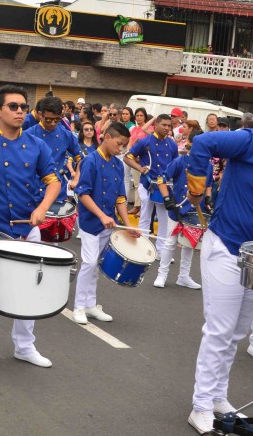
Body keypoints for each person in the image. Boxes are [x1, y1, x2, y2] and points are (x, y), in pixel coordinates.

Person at [0, 84, 61, 369]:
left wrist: (42, 208)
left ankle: (25, 345)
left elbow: (53, 181)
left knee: (30, 288)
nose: (20, 112)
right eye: (13, 107)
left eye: (23, 107)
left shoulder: (36, 144)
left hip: (27, 227)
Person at [185, 119, 253, 433]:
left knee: (238, 332)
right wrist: (197, 186)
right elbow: (202, 144)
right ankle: (201, 405)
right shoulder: (247, 140)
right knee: (220, 330)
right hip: (226, 248)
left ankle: (218, 397)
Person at [72, 123, 139, 325]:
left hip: (108, 223)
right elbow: (82, 193)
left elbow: (120, 198)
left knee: (97, 264)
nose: (121, 149)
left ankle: (91, 304)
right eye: (119, 144)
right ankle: (79, 306)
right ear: (107, 137)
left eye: (124, 146)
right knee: (89, 262)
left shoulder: (118, 164)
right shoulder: (90, 161)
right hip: (90, 222)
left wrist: (127, 225)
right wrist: (102, 216)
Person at [153, 129, 208, 290]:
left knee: (189, 244)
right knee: (170, 242)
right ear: (190, 144)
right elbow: (161, 179)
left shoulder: (207, 164)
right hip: (177, 207)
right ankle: (161, 274)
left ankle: (183, 276)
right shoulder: (180, 161)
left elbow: (209, 184)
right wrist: (167, 199)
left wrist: (209, 198)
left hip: (195, 209)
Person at [124, 114, 177, 257]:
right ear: (156, 125)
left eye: (169, 125)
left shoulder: (172, 144)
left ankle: (161, 251)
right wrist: (139, 167)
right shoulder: (145, 141)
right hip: (147, 183)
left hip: (165, 186)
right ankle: (142, 246)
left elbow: (176, 164)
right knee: (146, 213)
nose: (167, 128)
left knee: (164, 218)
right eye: (164, 125)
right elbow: (127, 157)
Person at [25, 96, 81, 205]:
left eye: (57, 119)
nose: (53, 123)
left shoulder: (66, 134)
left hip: (58, 193)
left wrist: (76, 179)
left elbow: (80, 159)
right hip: (32, 192)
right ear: (40, 115)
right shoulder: (28, 135)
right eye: (49, 119)